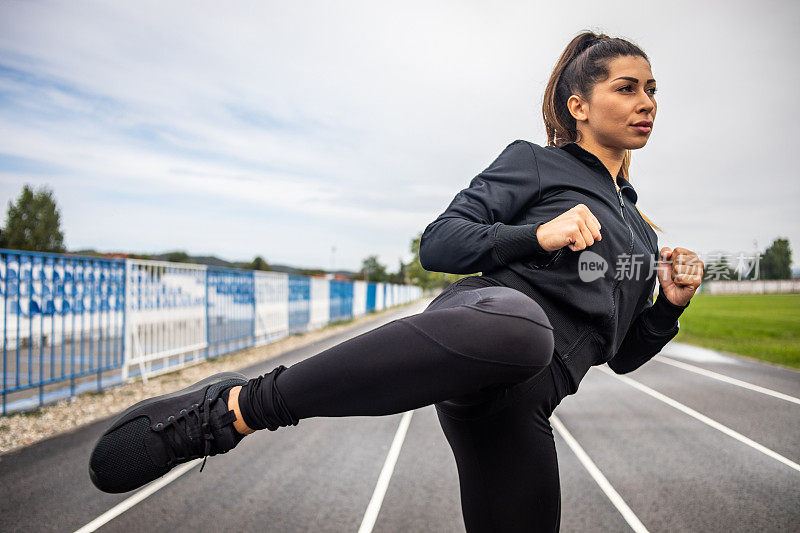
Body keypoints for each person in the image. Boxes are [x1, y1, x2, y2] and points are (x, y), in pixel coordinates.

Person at [88, 31, 704, 532]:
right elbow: (439, 242)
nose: (647, 102)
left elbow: (618, 355)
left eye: (652, 90)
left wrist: (667, 308)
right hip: (493, 319)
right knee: (525, 332)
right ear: (580, 106)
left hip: (524, 401)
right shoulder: (537, 162)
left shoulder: (644, 234)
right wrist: (533, 237)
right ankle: (228, 412)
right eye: (627, 89)